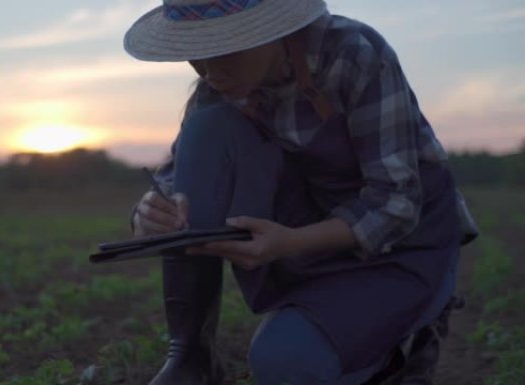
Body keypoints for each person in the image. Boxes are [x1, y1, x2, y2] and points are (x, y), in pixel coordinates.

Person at [124, 1, 478, 384]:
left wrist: (290, 242)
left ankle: (405, 344)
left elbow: (397, 203)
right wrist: (151, 215)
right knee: (207, 128)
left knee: (285, 362)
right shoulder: (215, 90)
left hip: (399, 249)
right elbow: (176, 181)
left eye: (223, 50)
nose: (209, 72)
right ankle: (191, 356)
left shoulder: (352, 54)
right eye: (195, 55)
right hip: (301, 244)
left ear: (270, 30)